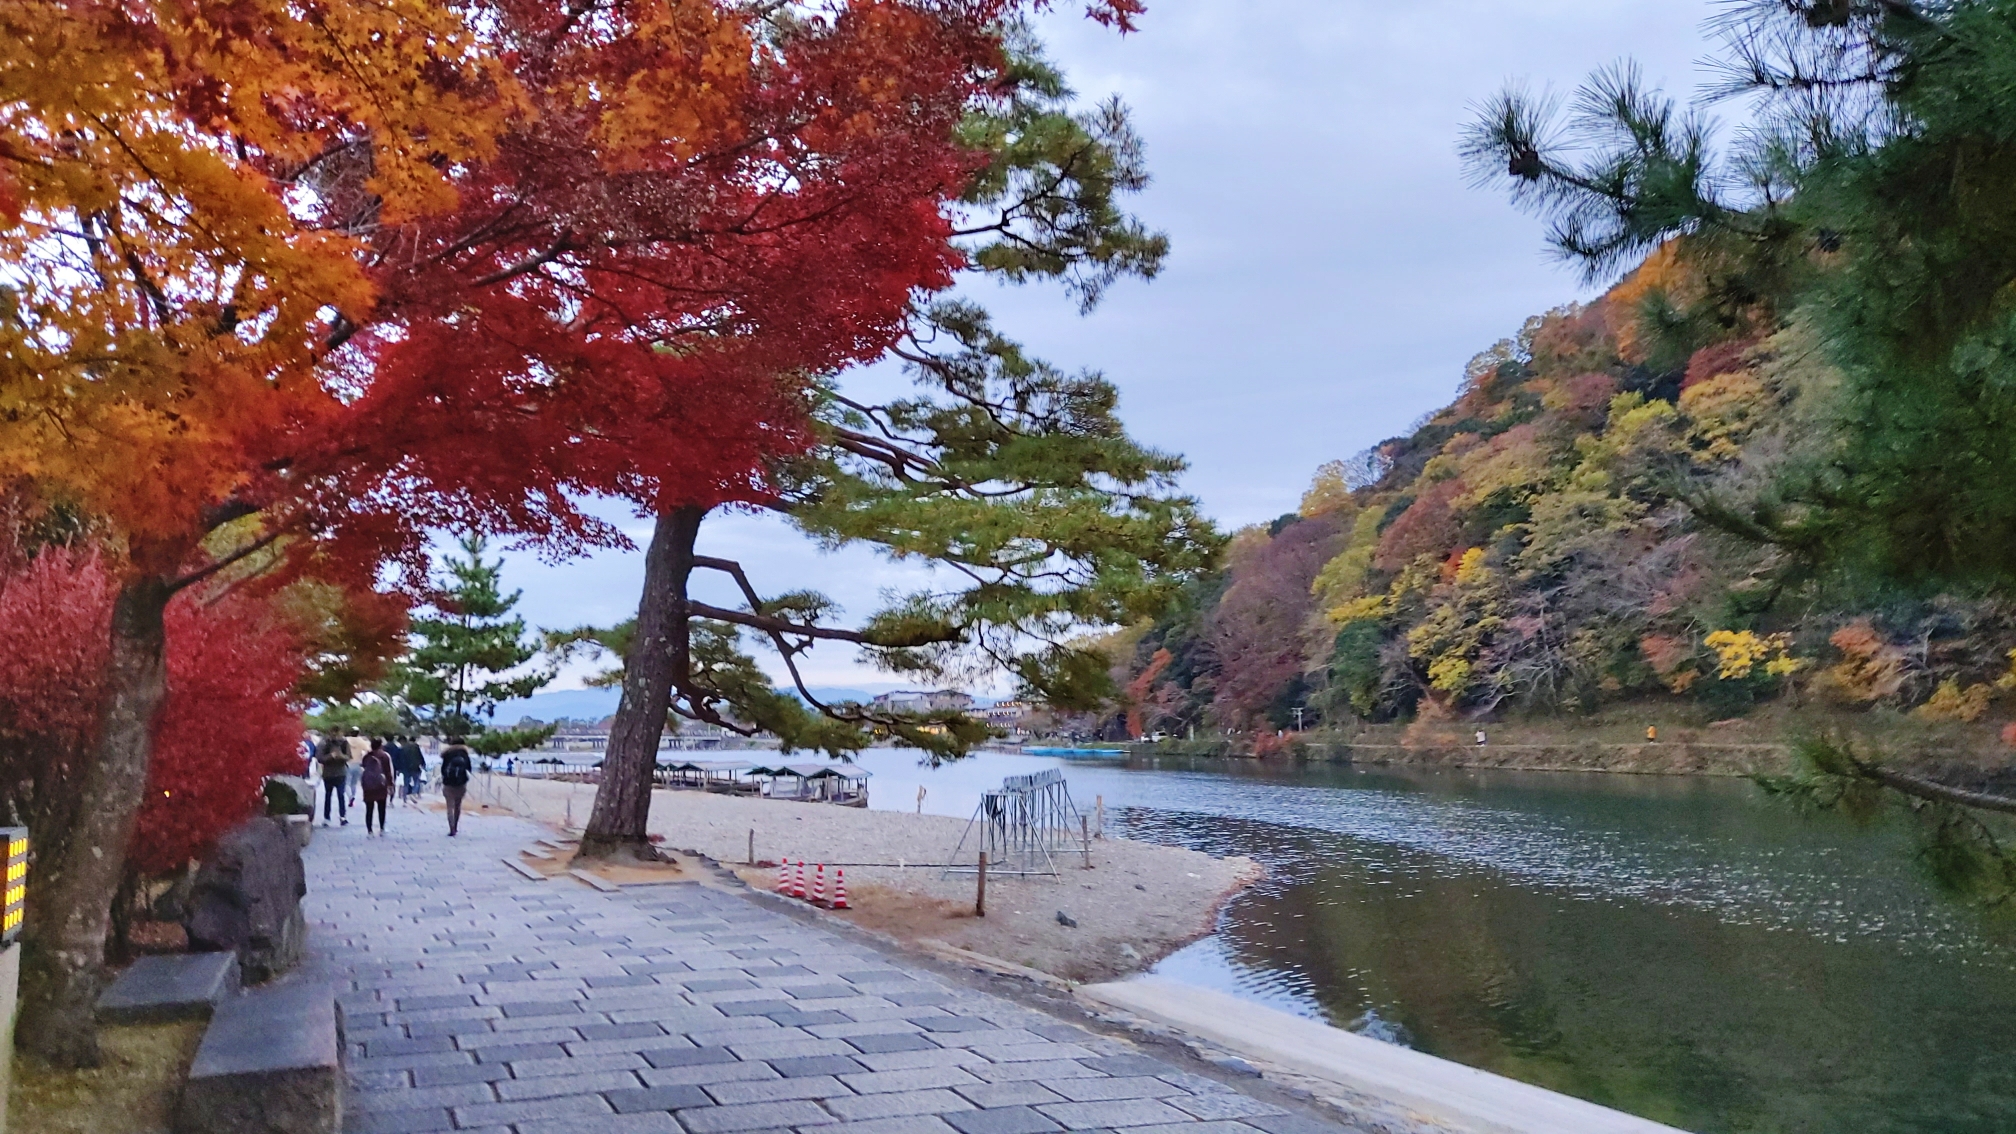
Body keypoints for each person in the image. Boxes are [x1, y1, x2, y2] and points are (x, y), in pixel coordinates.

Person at [439, 736, 473, 837]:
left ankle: (451, 828)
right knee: (458, 806)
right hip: (461, 783)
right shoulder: (464, 754)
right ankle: (456, 826)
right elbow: (469, 768)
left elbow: (443, 768)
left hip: (448, 782)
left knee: (449, 806)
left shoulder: (447, 754)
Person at [315, 733, 351, 826]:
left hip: (340, 773)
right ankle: (327, 817)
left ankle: (342, 816)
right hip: (328, 774)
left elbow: (348, 756)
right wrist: (330, 756)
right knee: (328, 796)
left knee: (341, 795)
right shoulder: (324, 743)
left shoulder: (344, 743)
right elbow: (319, 758)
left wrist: (340, 756)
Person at [360, 737, 394, 835]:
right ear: (380, 745)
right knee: (381, 807)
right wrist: (390, 784)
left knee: (369, 808)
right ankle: (382, 827)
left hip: (369, 785)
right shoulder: (384, 756)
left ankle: (369, 829)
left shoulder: (367, 756)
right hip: (381, 785)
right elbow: (388, 771)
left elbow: (364, 769)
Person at [399, 735, 426, 803]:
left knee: (406, 783)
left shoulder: (403, 747)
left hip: (406, 768)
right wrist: (423, 764)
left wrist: (400, 768)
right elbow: (420, 756)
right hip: (415, 767)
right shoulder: (416, 746)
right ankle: (413, 793)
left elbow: (401, 758)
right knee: (416, 781)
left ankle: (404, 799)